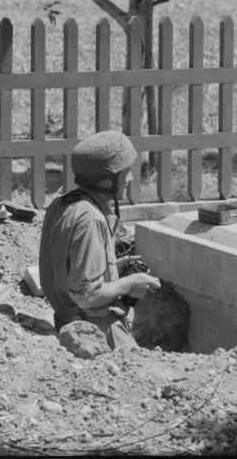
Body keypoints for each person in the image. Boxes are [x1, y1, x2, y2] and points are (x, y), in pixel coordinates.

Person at [39, 130, 161, 349]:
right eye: (126, 172)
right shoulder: (91, 219)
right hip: (96, 332)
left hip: (71, 324)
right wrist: (129, 283)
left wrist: (114, 266)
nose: (131, 178)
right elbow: (87, 295)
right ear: (108, 179)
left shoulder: (62, 204)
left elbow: (67, 271)